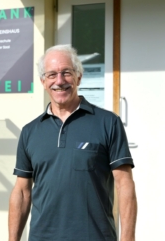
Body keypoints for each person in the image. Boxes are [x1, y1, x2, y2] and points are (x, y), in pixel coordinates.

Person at [8, 45, 137, 241]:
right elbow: (22, 191)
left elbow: (124, 184)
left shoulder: (108, 123)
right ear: (43, 81)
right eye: (51, 75)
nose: (59, 81)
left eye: (66, 72)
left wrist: (128, 238)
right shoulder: (30, 132)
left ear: (78, 77)